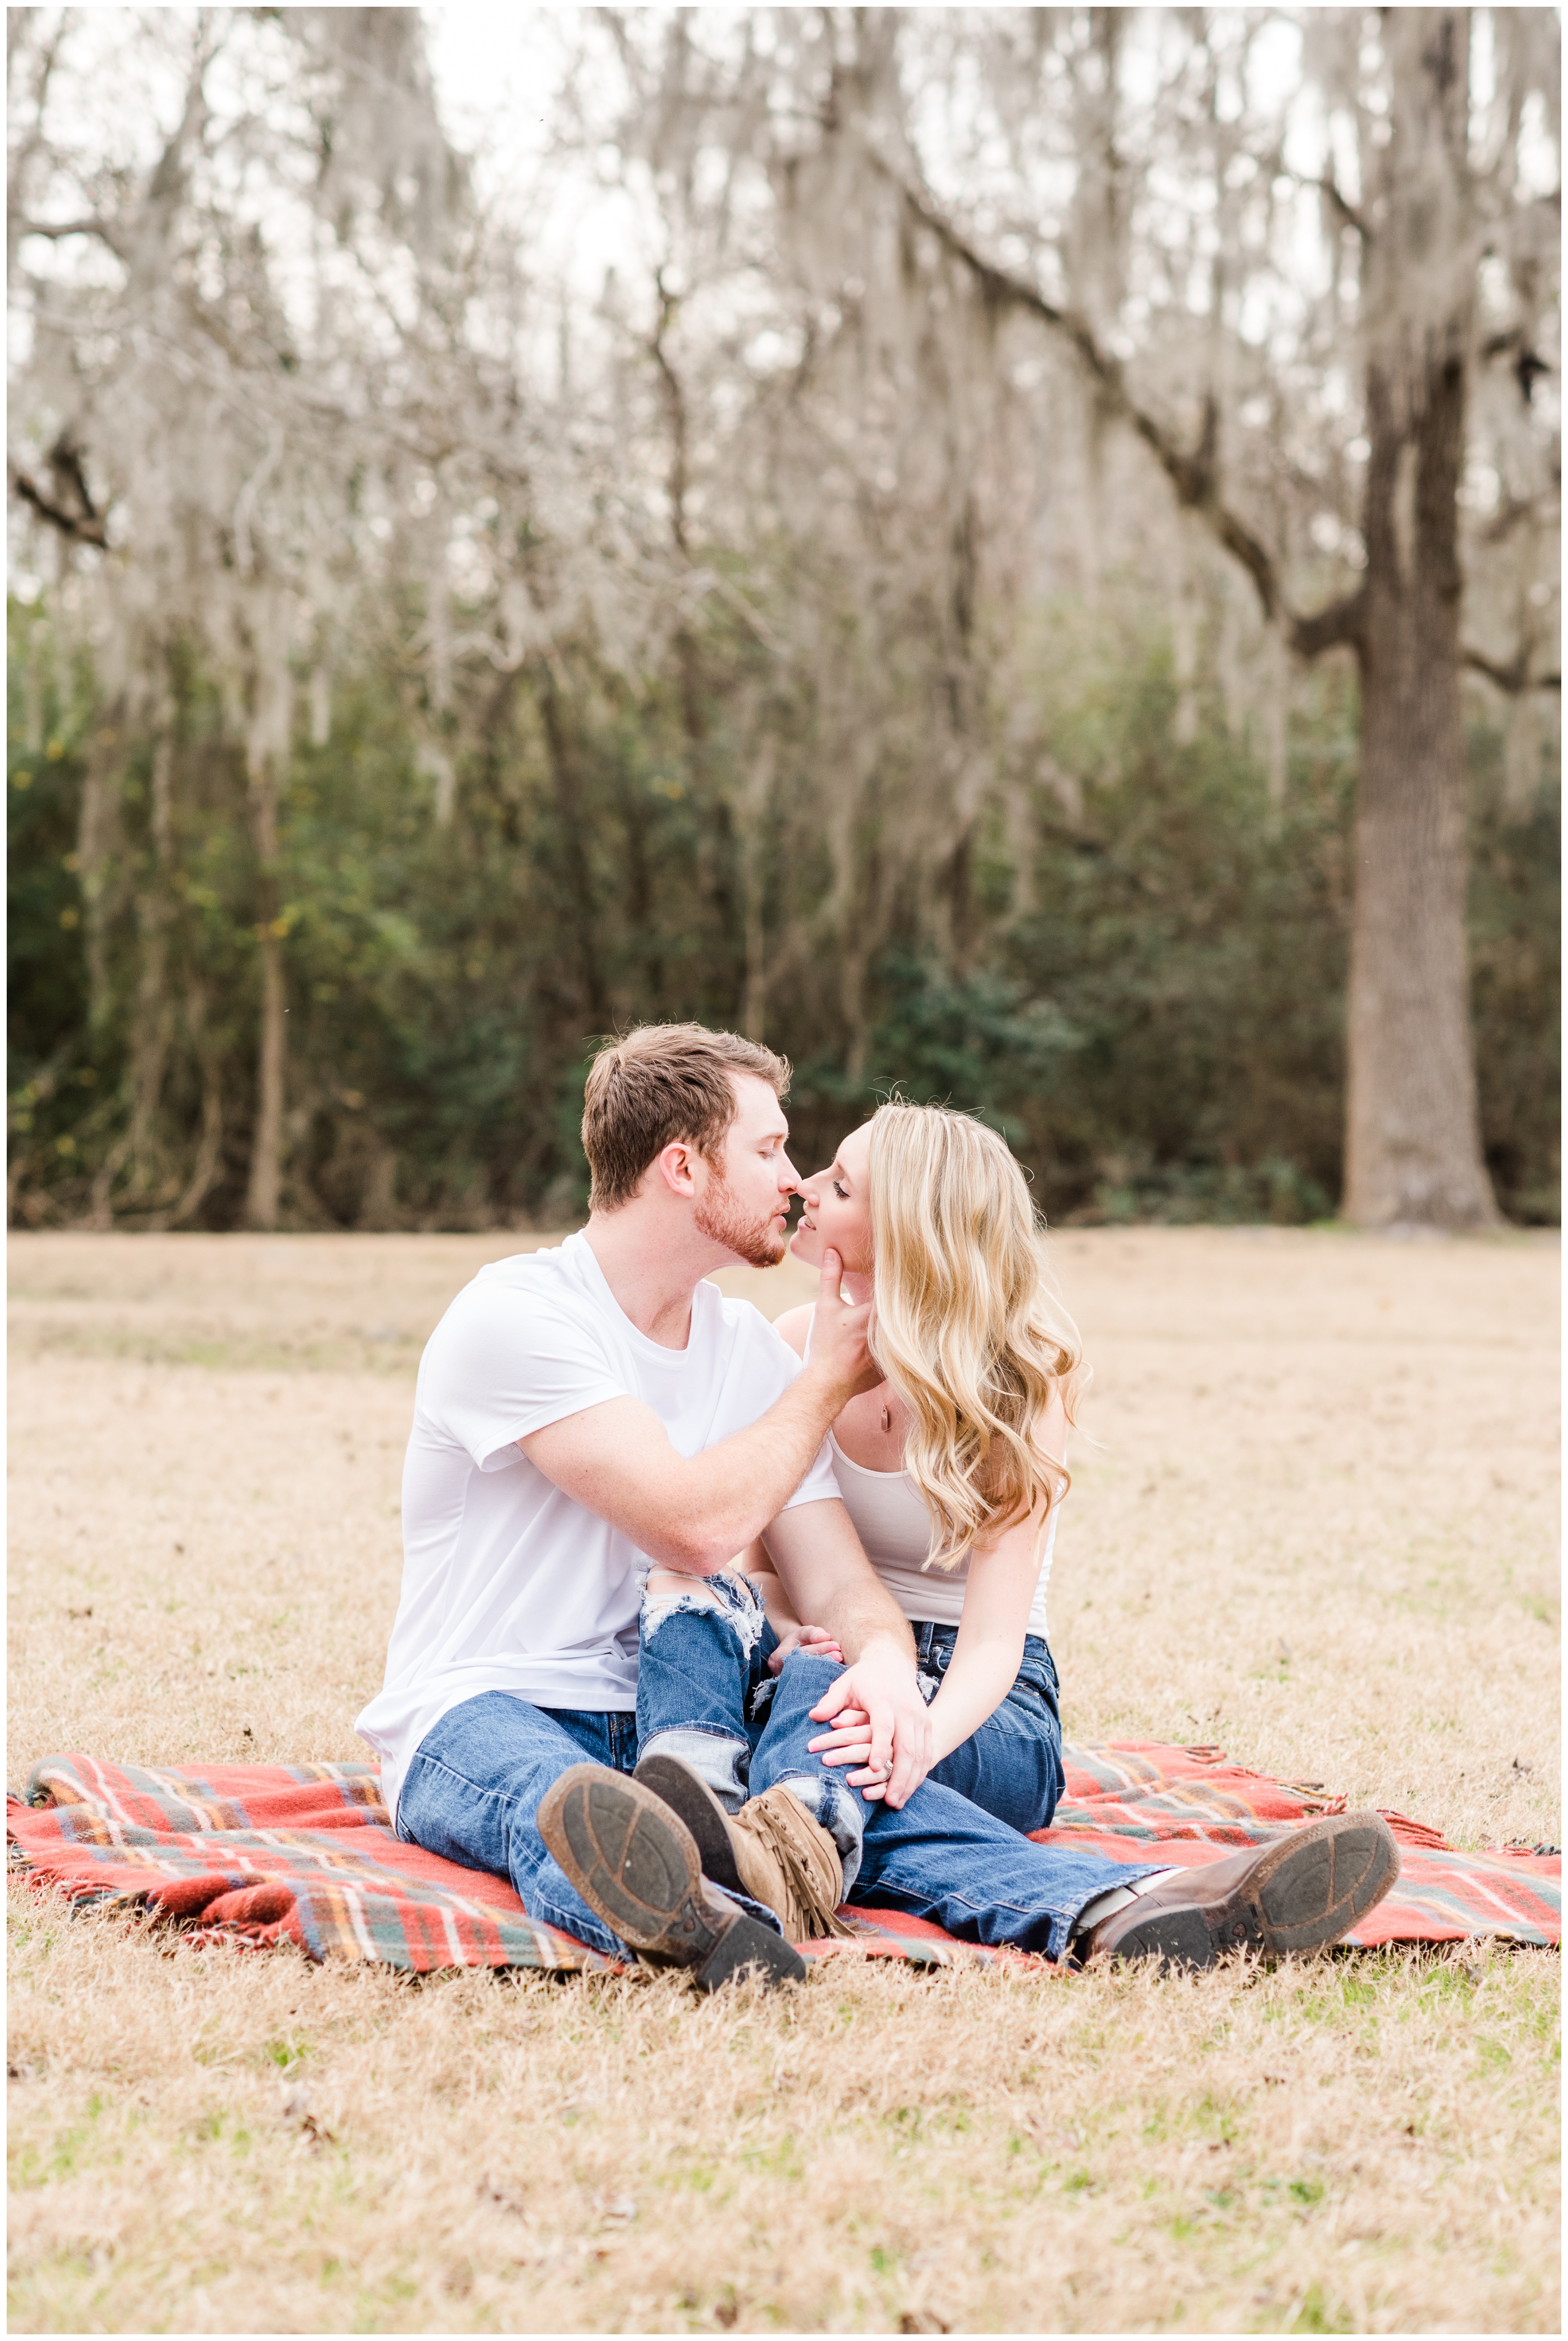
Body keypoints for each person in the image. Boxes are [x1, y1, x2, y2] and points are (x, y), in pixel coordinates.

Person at [362, 1021, 1399, 1989]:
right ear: (684, 1168)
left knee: (839, 1796)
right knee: (562, 1806)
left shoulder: (735, 1347)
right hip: (484, 1701)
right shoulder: (521, 1314)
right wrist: (823, 1383)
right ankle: (706, 1924)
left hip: (671, 1731)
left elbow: (841, 1581)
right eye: (771, 1150)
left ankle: (1115, 1907)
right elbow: (694, 1529)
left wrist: (888, 1672)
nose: (794, 1181)